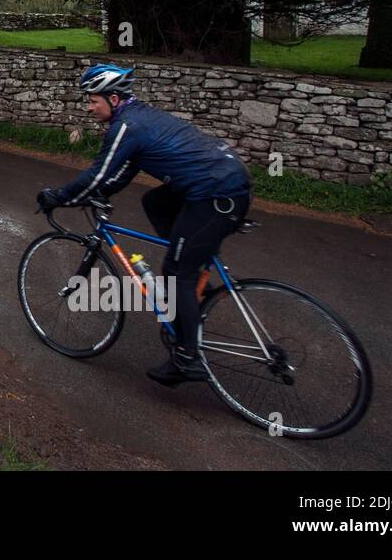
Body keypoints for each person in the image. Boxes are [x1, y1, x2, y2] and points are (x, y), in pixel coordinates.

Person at [36, 63, 252, 386]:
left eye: (92, 100)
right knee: (155, 202)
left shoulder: (126, 127)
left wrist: (59, 197)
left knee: (177, 273)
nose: (89, 106)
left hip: (216, 193)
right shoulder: (139, 118)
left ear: (113, 98)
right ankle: (195, 272)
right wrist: (97, 194)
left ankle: (187, 358)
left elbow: (98, 173)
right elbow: (119, 173)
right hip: (221, 183)